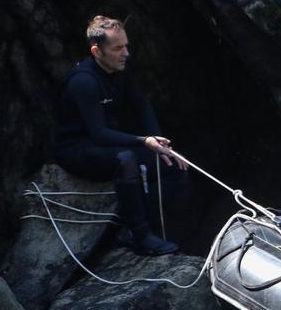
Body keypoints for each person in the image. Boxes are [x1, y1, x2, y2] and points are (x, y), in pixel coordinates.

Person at [53, 16, 187, 255]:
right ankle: (140, 236)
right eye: (118, 48)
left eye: (126, 46)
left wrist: (159, 141)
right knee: (125, 159)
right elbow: (98, 133)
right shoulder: (84, 81)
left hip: (106, 144)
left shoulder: (119, 70)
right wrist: (143, 141)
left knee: (174, 166)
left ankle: (135, 226)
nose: (126, 53)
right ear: (97, 50)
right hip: (77, 148)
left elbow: (141, 104)